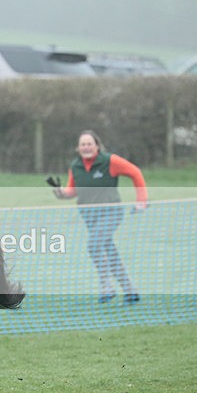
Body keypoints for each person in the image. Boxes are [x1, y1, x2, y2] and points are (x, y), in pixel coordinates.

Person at [50, 130, 148, 304]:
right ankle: (130, 290)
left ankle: (106, 286)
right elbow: (72, 190)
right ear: (78, 148)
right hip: (89, 216)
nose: (86, 147)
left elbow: (135, 172)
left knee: (94, 245)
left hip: (111, 212)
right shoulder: (75, 166)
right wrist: (60, 193)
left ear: (97, 146)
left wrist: (141, 200)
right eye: (83, 144)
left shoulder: (110, 161)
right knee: (109, 251)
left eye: (89, 144)